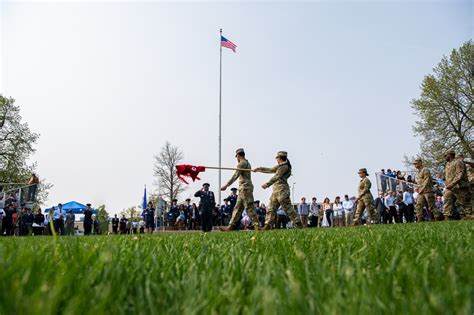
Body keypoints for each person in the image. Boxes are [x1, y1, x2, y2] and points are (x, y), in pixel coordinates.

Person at [254, 151, 302, 230]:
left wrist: (267, 184)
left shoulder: (284, 167)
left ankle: (298, 223)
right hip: (276, 191)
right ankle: (267, 225)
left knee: (288, 209)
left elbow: (277, 176)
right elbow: (270, 170)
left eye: (277, 158)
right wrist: (259, 169)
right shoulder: (280, 166)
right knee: (271, 208)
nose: (276, 159)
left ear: (279, 158)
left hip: (282, 191)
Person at [220, 148, 259, 231]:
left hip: (245, 188)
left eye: (236, 156)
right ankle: (230, 226)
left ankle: (257, 226)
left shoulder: (241, 163)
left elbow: (235, 175)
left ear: (238, 155)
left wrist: (226, 185)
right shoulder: (247, 163)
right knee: (237, 209)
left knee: (249, 207)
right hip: (243, 188)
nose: (236, 158)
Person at [442, 150, 471, 220]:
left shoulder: (458, 162)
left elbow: (459, 175)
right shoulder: (447, 164)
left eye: (445, 155)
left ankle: (469, 218)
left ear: (450, 155)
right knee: (447, 202)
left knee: (463, 204)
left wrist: (452, 184)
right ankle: (447, 219)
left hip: (460, 187)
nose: (444, 157)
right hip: (450, 188)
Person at [412, 158, 437, 222]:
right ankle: (420, 220)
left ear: (420, 163)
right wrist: (418, 188)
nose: (415, 165)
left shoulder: (425, 170)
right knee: (418, 205)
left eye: (416, 163)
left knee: (431, 206)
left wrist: (422, 188)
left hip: (428, 191)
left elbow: (427, 180)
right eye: (414, 164)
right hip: (421, 192)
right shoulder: (418, 172)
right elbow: (418, 182)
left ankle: (437, 218)